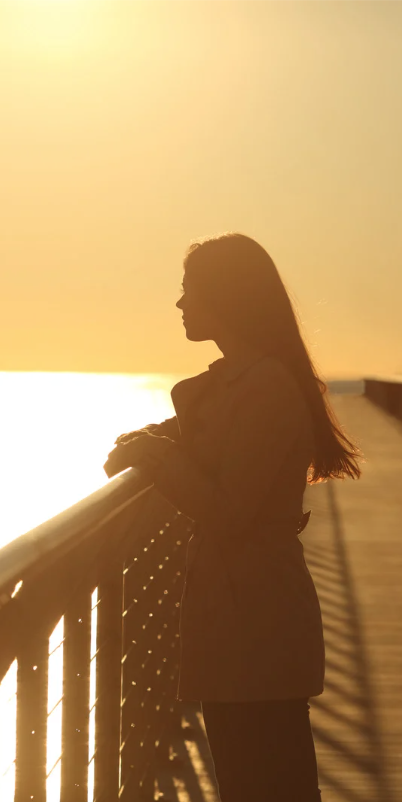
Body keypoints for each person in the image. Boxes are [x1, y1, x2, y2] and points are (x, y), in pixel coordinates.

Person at [106, 232, 362, 802]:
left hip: (258, 620)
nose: (179, 304)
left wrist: (157, 454)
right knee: (252, 778)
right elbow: (207, 448)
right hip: (239, 618)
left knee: (268, 782)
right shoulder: (236, 384)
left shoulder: (267, 386)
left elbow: (227, 510)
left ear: (224, 295)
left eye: (187, 289)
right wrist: (151, 442)